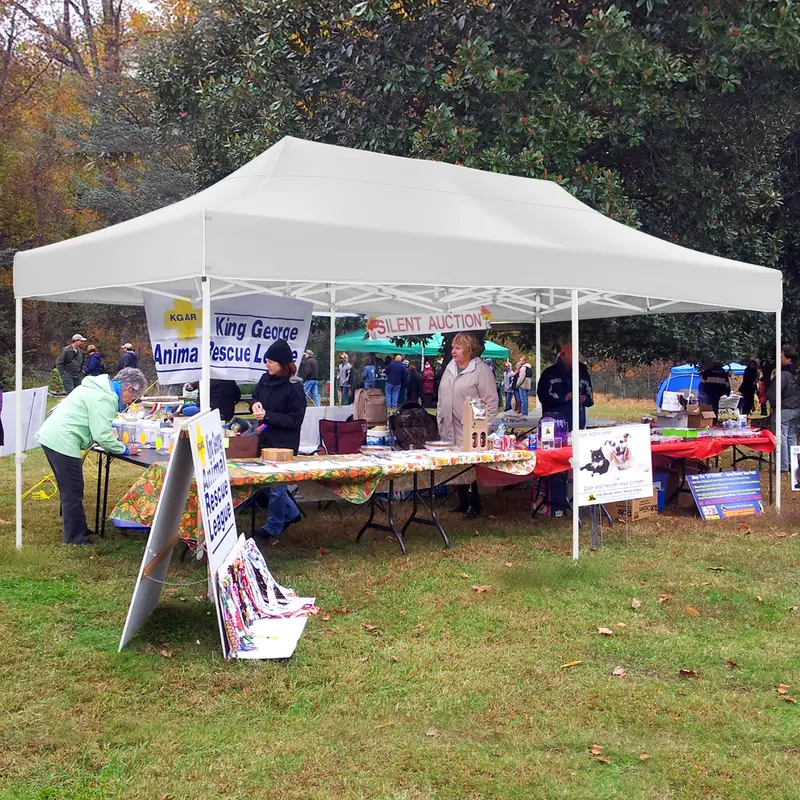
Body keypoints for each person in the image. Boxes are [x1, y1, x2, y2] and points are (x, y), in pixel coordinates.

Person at [36, 367, 147, 545]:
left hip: (51, 437)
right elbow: (101, 435)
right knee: (73, 491)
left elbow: (96, 425)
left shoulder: (95, 387)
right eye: (133, 397)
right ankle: (75, 538)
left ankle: (78, 529)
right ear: (129, 388)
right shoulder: (105, 397)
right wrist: (124, 449)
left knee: (71, 489)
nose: (130, 402)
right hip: (63, 441)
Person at [437, 332, 498, 519]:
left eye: (457, 347)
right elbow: (442, 396)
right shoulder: (449, 367)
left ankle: (475, 503)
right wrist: (440, 416)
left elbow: (490, 401)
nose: (453, 351)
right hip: (449, 424)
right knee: (455, 465)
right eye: (453, 347)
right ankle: (462, 501)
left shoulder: (481, 370)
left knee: (469, 466)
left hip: (470, 427)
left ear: (469, 349)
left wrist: (483, 428)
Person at [251, 340, 307, 537]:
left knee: (277, 488)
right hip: (264, 439)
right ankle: (291, 513)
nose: (267, 365)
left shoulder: (295, 388)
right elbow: (255, 395)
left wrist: (267, 415)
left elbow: (295, 420)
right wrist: (255, 405)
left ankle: (274, 526)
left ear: (282, 364)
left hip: (284, 444)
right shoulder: (264, 379)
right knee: (262, 483)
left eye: (270, 362)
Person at [537, 344, 594, 431]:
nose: (575, 358)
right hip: (555, 423)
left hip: (578, 422)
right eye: (571, 355)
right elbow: (543, 396)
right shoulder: (549, 373)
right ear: (562, 355)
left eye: (577, 355)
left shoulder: (582, 370)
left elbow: (589, 392)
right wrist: (563, 398)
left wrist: (586, 398)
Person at [767, 345, 800, 473]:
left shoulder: (783, 375)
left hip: (784, 409)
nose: (778, 358)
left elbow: (773, 394)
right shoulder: (796, 375)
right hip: (796, 409)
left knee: (781, 438)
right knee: (791, 437)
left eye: (781, 356)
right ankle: (793, 465)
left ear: (788, 360)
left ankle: (783, 466)